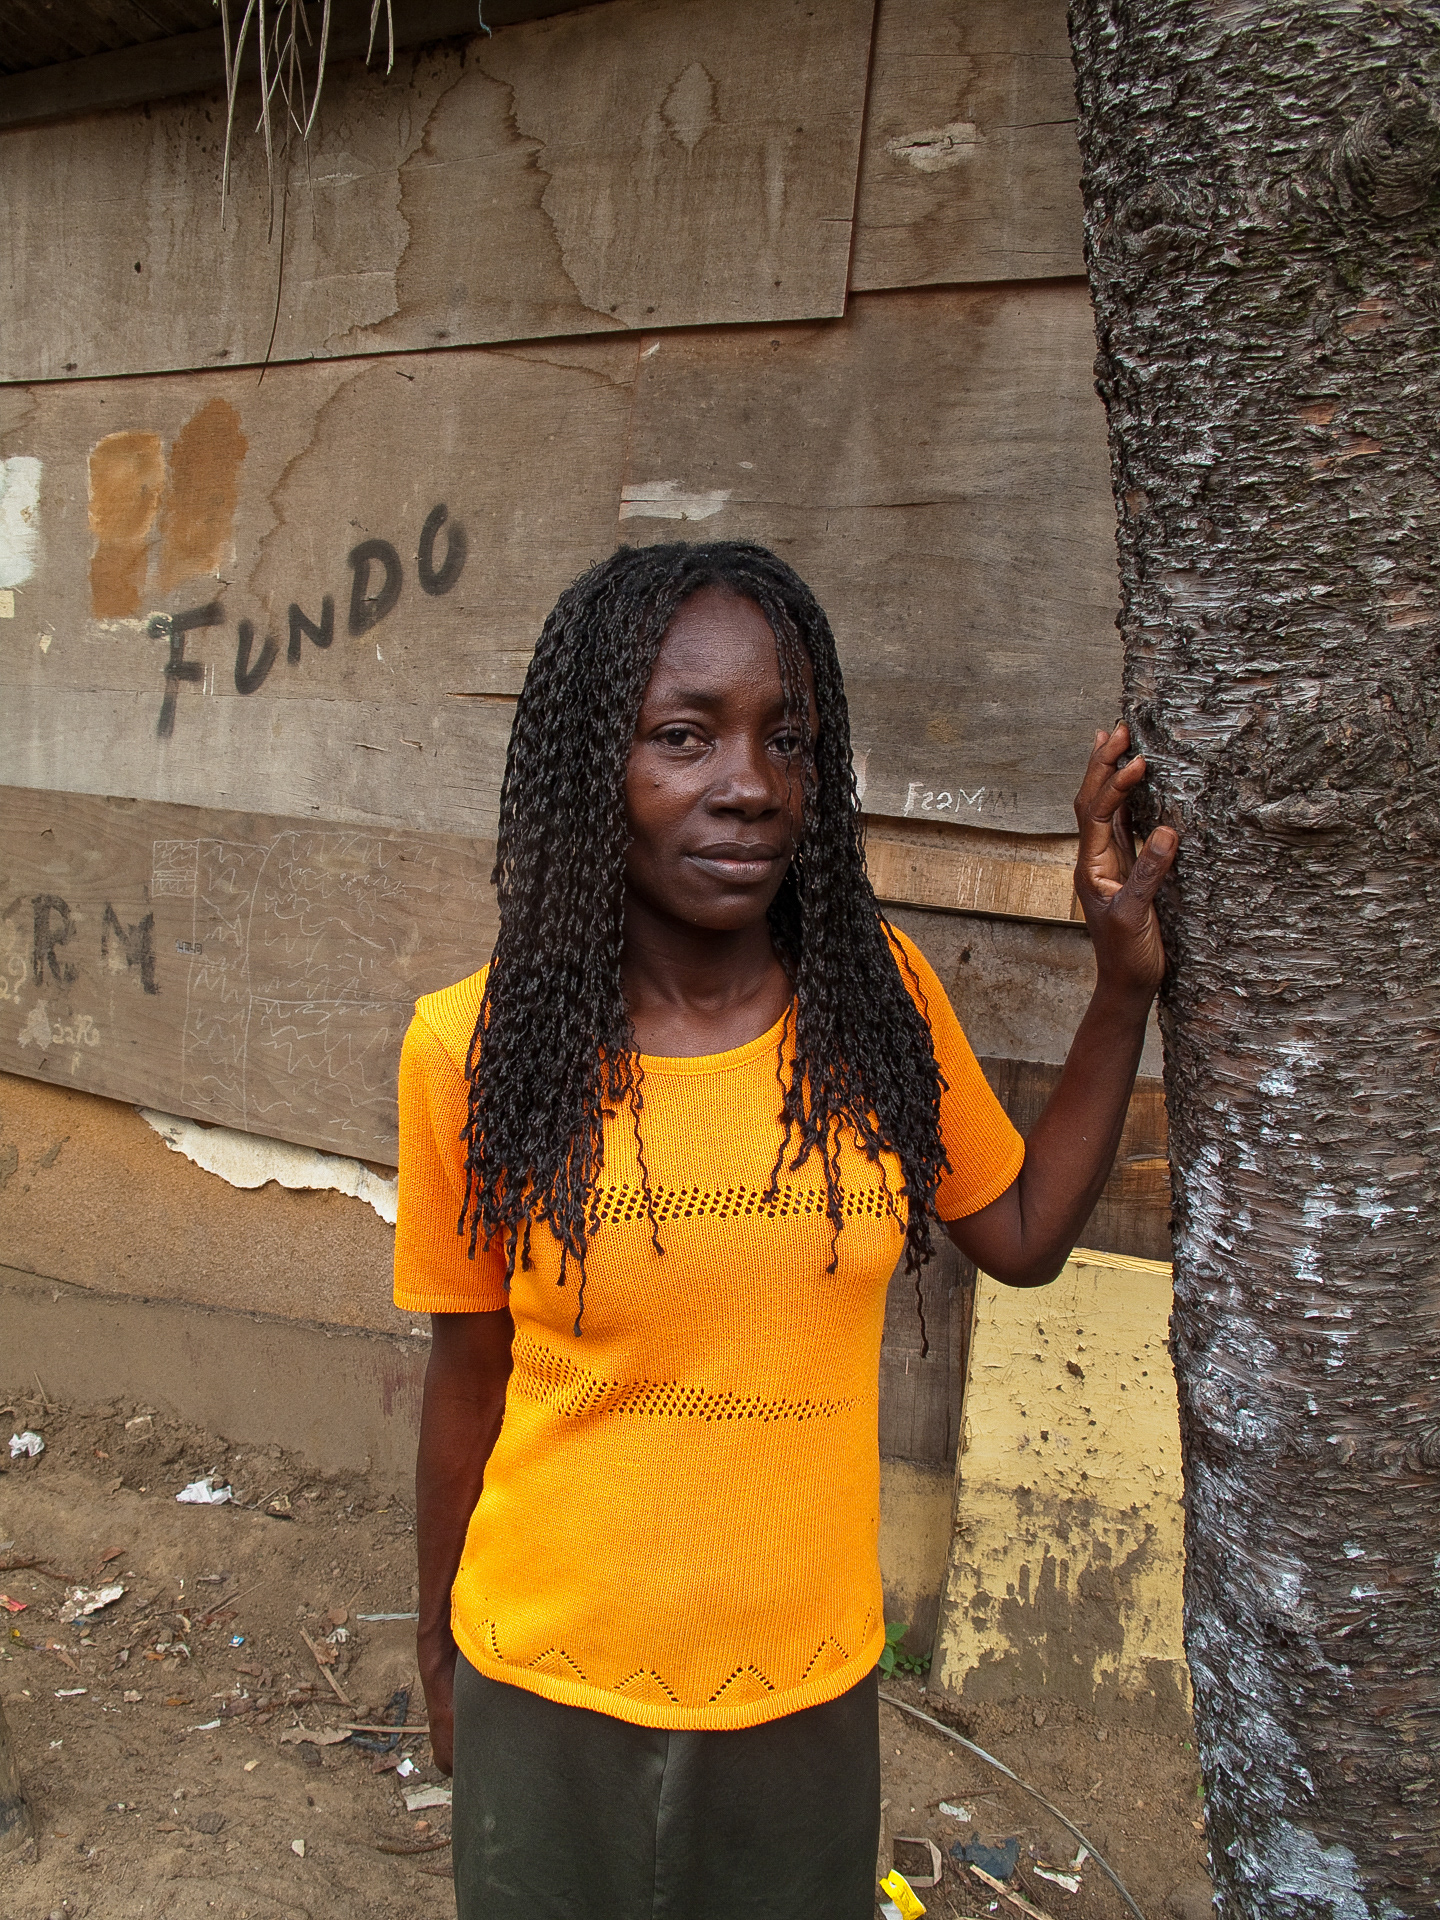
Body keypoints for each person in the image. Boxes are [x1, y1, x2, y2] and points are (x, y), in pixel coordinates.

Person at [393, 540, 1176, 1920]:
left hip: (802, 1690)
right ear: (591, 765)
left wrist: (1120, 985)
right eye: (683, 737)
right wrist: (440, 1652)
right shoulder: (474, 1049)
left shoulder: (875, 1005)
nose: (749, 784)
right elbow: (468, 1379)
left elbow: (1023, 1233)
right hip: (547, 1682)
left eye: (787, 740)